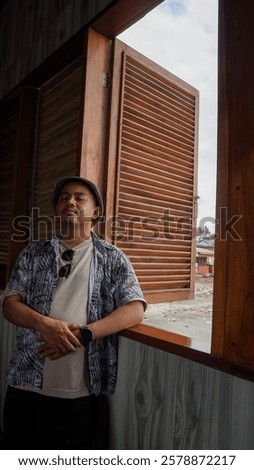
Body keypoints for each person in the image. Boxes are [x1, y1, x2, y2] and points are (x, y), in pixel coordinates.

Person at [2, 176, 146, 450]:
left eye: (80, 197)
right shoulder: (33, 253)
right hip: (24, 385)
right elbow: (10, 304)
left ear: (96, 212)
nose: (70, 201)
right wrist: (45, 325)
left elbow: (134, 309)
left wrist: (84, 334)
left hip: (81, 393)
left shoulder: (113, 257)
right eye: (64, 197)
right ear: (57, 209)